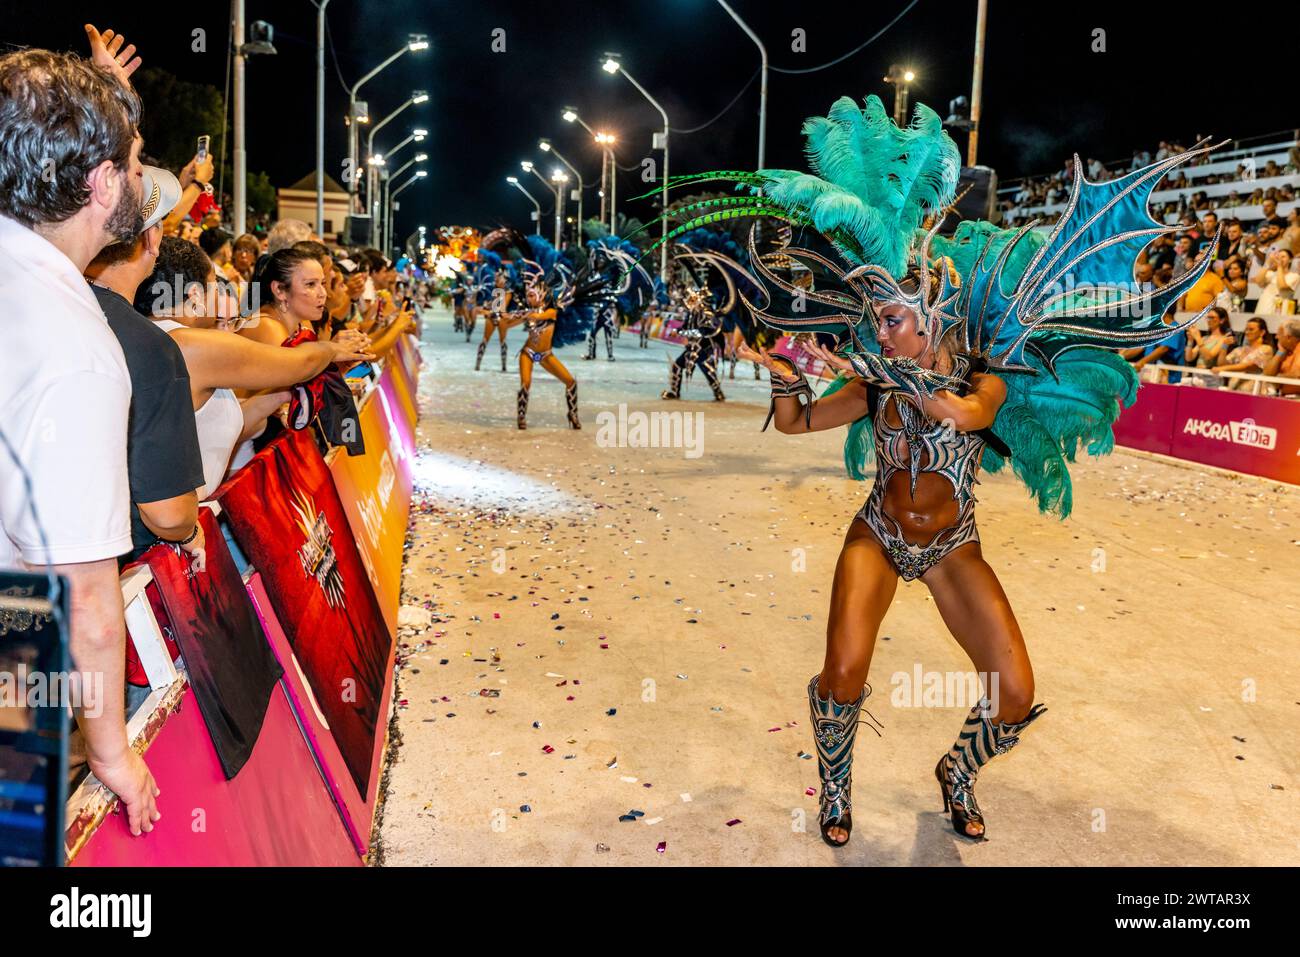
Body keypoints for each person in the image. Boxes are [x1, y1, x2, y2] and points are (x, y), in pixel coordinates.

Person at [685, 95, 1212, 847]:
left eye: (891, 319)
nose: (879, 330)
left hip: (951, 544)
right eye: (875, 320)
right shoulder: (872, 374)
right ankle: (837, 790)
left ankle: (957, 772)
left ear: (930, 310)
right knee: (841, 675)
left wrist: (885, 374)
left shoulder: (982, 371)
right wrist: (782, 371)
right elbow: (799, 421)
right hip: (878, 532)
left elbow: (964, 416)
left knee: (1015, 691)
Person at [0, 27, 160, 837]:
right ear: (101, 184)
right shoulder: (79, 348)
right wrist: (112, 754)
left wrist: (89, 100)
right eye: (133, 165)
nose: (144, 181)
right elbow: (87, 600)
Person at [140, 239, 373, 495]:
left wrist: (292, 389)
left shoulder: (155, 336)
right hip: (179, 518)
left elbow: (229, 423)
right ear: (195, 294)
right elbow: (297, 363)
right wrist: (330, 350)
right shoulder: (192, 344)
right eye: (213, 287)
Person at [85, 166, 206, 566]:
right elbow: (167, 513)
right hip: (112, 577)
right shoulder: (150, 347)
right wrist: (190, 529)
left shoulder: (43, 309)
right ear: (152, 239)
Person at [1215, 316, 1275, 390]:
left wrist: (1223, 368)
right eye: (1246, 329)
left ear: (1262, 332)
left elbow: (1249, 365)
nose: (1247, 332)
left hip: (1253, 393)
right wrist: (1224, 346)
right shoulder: (1239, 350)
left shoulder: (1266, 349)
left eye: (1251, 329)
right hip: (1234, 391)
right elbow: (1221, 364)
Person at [1261, 318, 1300, 395]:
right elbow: (1267, 375)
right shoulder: (1284, 351)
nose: (1276, 337)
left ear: (1288, 337)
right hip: (1284, 397)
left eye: (1279, 334)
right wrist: (1279, 353)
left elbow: (1297, 375)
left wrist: (1277, 379)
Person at [1253, 249, 1298, 314]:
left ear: (1290, 259)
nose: (1280, 259)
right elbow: (1259, 281)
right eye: (1278, 257)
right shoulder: (1270, 274)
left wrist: (1279, 266)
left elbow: (1282, 287)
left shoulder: (1294, 276)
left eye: (1283, 257)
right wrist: (1267, 262)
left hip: (1281, 309)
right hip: (1264, 306)